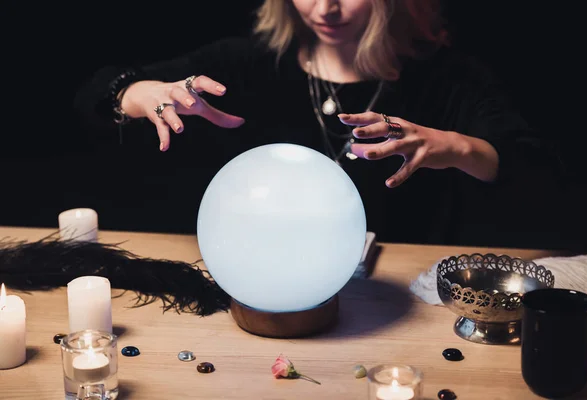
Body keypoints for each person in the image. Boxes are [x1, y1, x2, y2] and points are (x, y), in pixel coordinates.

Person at [74, 0, 540, 245]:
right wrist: (138, 95)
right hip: (270, 285)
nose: (324, 9)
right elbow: (95, 95)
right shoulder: (248, 63)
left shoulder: (447, 77)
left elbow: (532, 173)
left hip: (403, 296)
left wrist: (458, 147)